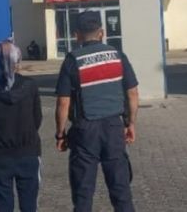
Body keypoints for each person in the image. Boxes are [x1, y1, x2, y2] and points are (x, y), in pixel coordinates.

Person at [54, 11, 139, 212]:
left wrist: (60, 134)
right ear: (101, 32)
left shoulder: (72, 60)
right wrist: (130, 124)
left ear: (77, 35)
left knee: (83, 194)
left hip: (85, 130)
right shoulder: (118, 56)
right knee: (121, 191)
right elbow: (133, 93)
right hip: (113, 127)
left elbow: (63, 102)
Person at [0, 40, 42, 212]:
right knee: (29, 203)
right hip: (28, 151)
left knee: (3, 202)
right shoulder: (30, 86)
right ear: (17, 60)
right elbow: (37, 119)